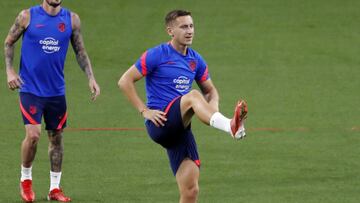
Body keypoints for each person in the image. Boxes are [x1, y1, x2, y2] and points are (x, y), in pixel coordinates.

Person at [118, 9, 247, 203]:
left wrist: (213, 110)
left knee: (191, 190)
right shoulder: (156, 55)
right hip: (160, 123)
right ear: (170, 31)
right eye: (184, 27)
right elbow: (124, 81)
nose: (189, 31)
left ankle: (227, 124)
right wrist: (144, 110)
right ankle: (230, 126)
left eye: (192, 26)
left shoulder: (196, 60)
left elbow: (211, 91)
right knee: (193, 96)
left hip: (180, 131)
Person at [4, 0, 100, 202]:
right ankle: (26, 181)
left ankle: (54, 189)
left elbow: (80, 51)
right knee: (33, 135)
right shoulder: (26, 16)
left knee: (56, 138)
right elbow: (9, 42)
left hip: (56, 91)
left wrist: (91, 77)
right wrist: (10, 71)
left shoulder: (71, 19)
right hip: (30, 88)